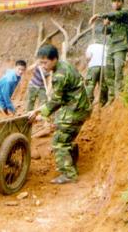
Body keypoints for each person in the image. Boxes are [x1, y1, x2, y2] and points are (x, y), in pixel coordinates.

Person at [28, 45, 91, 184]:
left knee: (59, 142)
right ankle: (72, 166)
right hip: (79, 107)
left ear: (54, 59)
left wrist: (41, 114)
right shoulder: (64, 65)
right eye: (41, 62)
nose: (42, 66)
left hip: (74, 110)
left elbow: (56, 101)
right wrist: (40, 111)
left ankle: (69, 174)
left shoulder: (59, 75)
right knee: (67, 138)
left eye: (45, 62)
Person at [90, 0, 128, 104]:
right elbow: (105, 32)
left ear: (122, 2)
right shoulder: (112, 19)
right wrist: (105, 25)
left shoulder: (124, 13)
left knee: (118, 71)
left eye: (118, 1)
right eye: (114, 2)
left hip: (120, 47)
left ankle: (119, 96)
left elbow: (115, 15)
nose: (116, 4)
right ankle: (111, 97)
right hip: (111, 48)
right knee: (109, 74)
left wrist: (99, 15)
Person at [85, 32, 108, 105]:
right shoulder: (105, 46)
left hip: (93, 67)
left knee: (90, 85)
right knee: (103, 85)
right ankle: (103, 102)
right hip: (104, 67)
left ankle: (88, 102)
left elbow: (88, 57)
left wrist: (87, 63)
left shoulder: (91, 46)